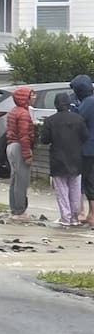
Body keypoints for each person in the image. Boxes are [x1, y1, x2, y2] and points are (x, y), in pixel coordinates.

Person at [40, 92, 87, 226]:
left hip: (58, 159)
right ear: (69, 103)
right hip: (76, 159)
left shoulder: (50, 121)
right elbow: (85, 136)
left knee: (62, 190)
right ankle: (75, 217)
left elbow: (44, 140)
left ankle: (65, 218)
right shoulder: (79, 119)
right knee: (75, 189)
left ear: (56, 104)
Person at [4, 86, 35, 220]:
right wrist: (27, 154)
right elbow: (24, 136)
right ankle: (20, 211)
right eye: (32, 95)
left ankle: (15, 209)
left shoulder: (14, 111)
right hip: (19, 148)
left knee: (15, 179)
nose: (34, 97)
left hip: (11, 146)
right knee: (22, 180)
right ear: (25, 98)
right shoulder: (23, 114)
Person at [70, 75, 94, 224]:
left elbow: (78, 119)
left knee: (88, 180)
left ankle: (90, 214)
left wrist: (72, 109)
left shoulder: (88, 103)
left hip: (88, 149)